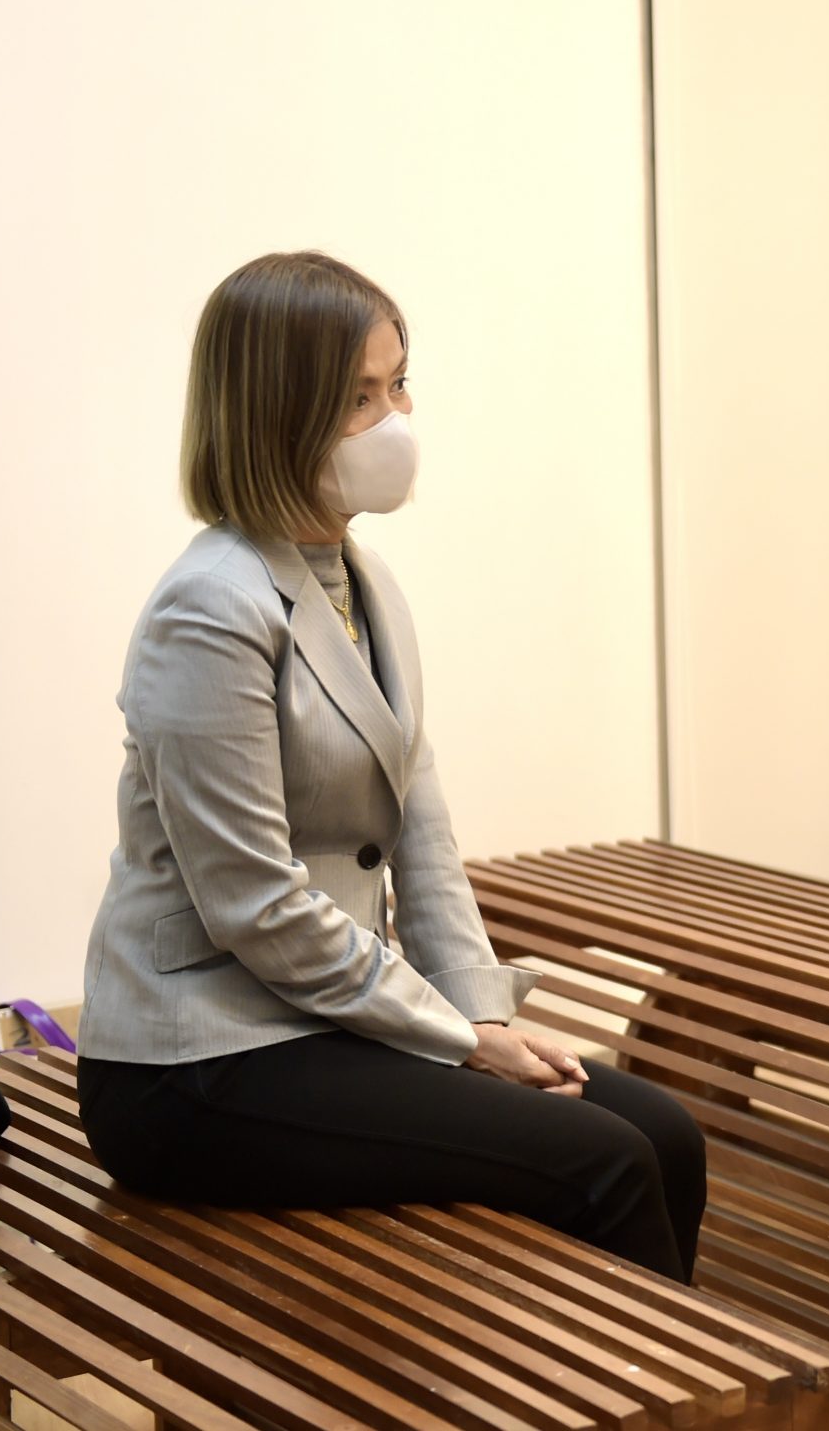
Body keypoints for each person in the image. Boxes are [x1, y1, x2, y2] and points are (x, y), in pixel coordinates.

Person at [75, 251, 705, 1281]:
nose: (394, 420)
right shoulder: (210, 608)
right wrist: (458, 1041)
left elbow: (425, 840)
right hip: (199, 1062)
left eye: (398, 383)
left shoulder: (369, 589)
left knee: (664, 1133)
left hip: (325, 1023)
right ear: (276, 414)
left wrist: (483, 1012)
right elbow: (255, 905)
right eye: (358, 398)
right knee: (605, 1163)